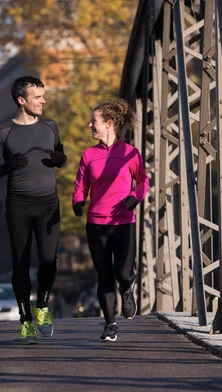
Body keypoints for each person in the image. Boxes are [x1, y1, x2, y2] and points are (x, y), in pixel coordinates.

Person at [0, 76, 66, 344]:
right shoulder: (3, 131)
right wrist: (8, 166)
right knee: (20, 264)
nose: (43, 101)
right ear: (21, 100)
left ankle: (42, 305)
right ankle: (26, 322)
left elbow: (60, 154)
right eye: (37, 97)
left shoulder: (51, 126)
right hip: (18, 204)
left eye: (43, 96)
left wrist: (60, 159)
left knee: (48, 260)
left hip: (48, 203)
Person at [72, 99, 149, 341]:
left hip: (124, 221)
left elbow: (143, 181)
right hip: (96, 224)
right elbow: (80, 185)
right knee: (104, 275)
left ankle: (127, 287)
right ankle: (110, 325)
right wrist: (77, 201)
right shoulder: (88, 155)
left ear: (109, 124)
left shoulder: (130, 153)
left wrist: (135, 198)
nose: (89, 125)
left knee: (123, 273)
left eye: (93, 122)